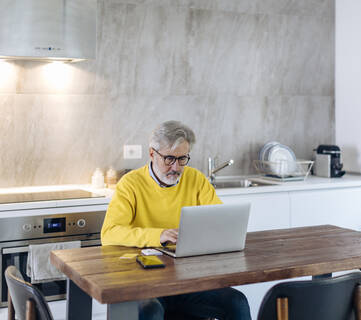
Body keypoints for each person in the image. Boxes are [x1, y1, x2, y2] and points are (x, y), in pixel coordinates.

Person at [101, 120, 251, 320]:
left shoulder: (196, 180)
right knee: (150, 311)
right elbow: (110, 233)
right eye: (169, 158)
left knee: (236, 302)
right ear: (152, 154)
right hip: (145, 281)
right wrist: (159, 235)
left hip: (188, 280)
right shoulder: (130, 184)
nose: (176, 167)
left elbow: (219, 221)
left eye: (182, 159)